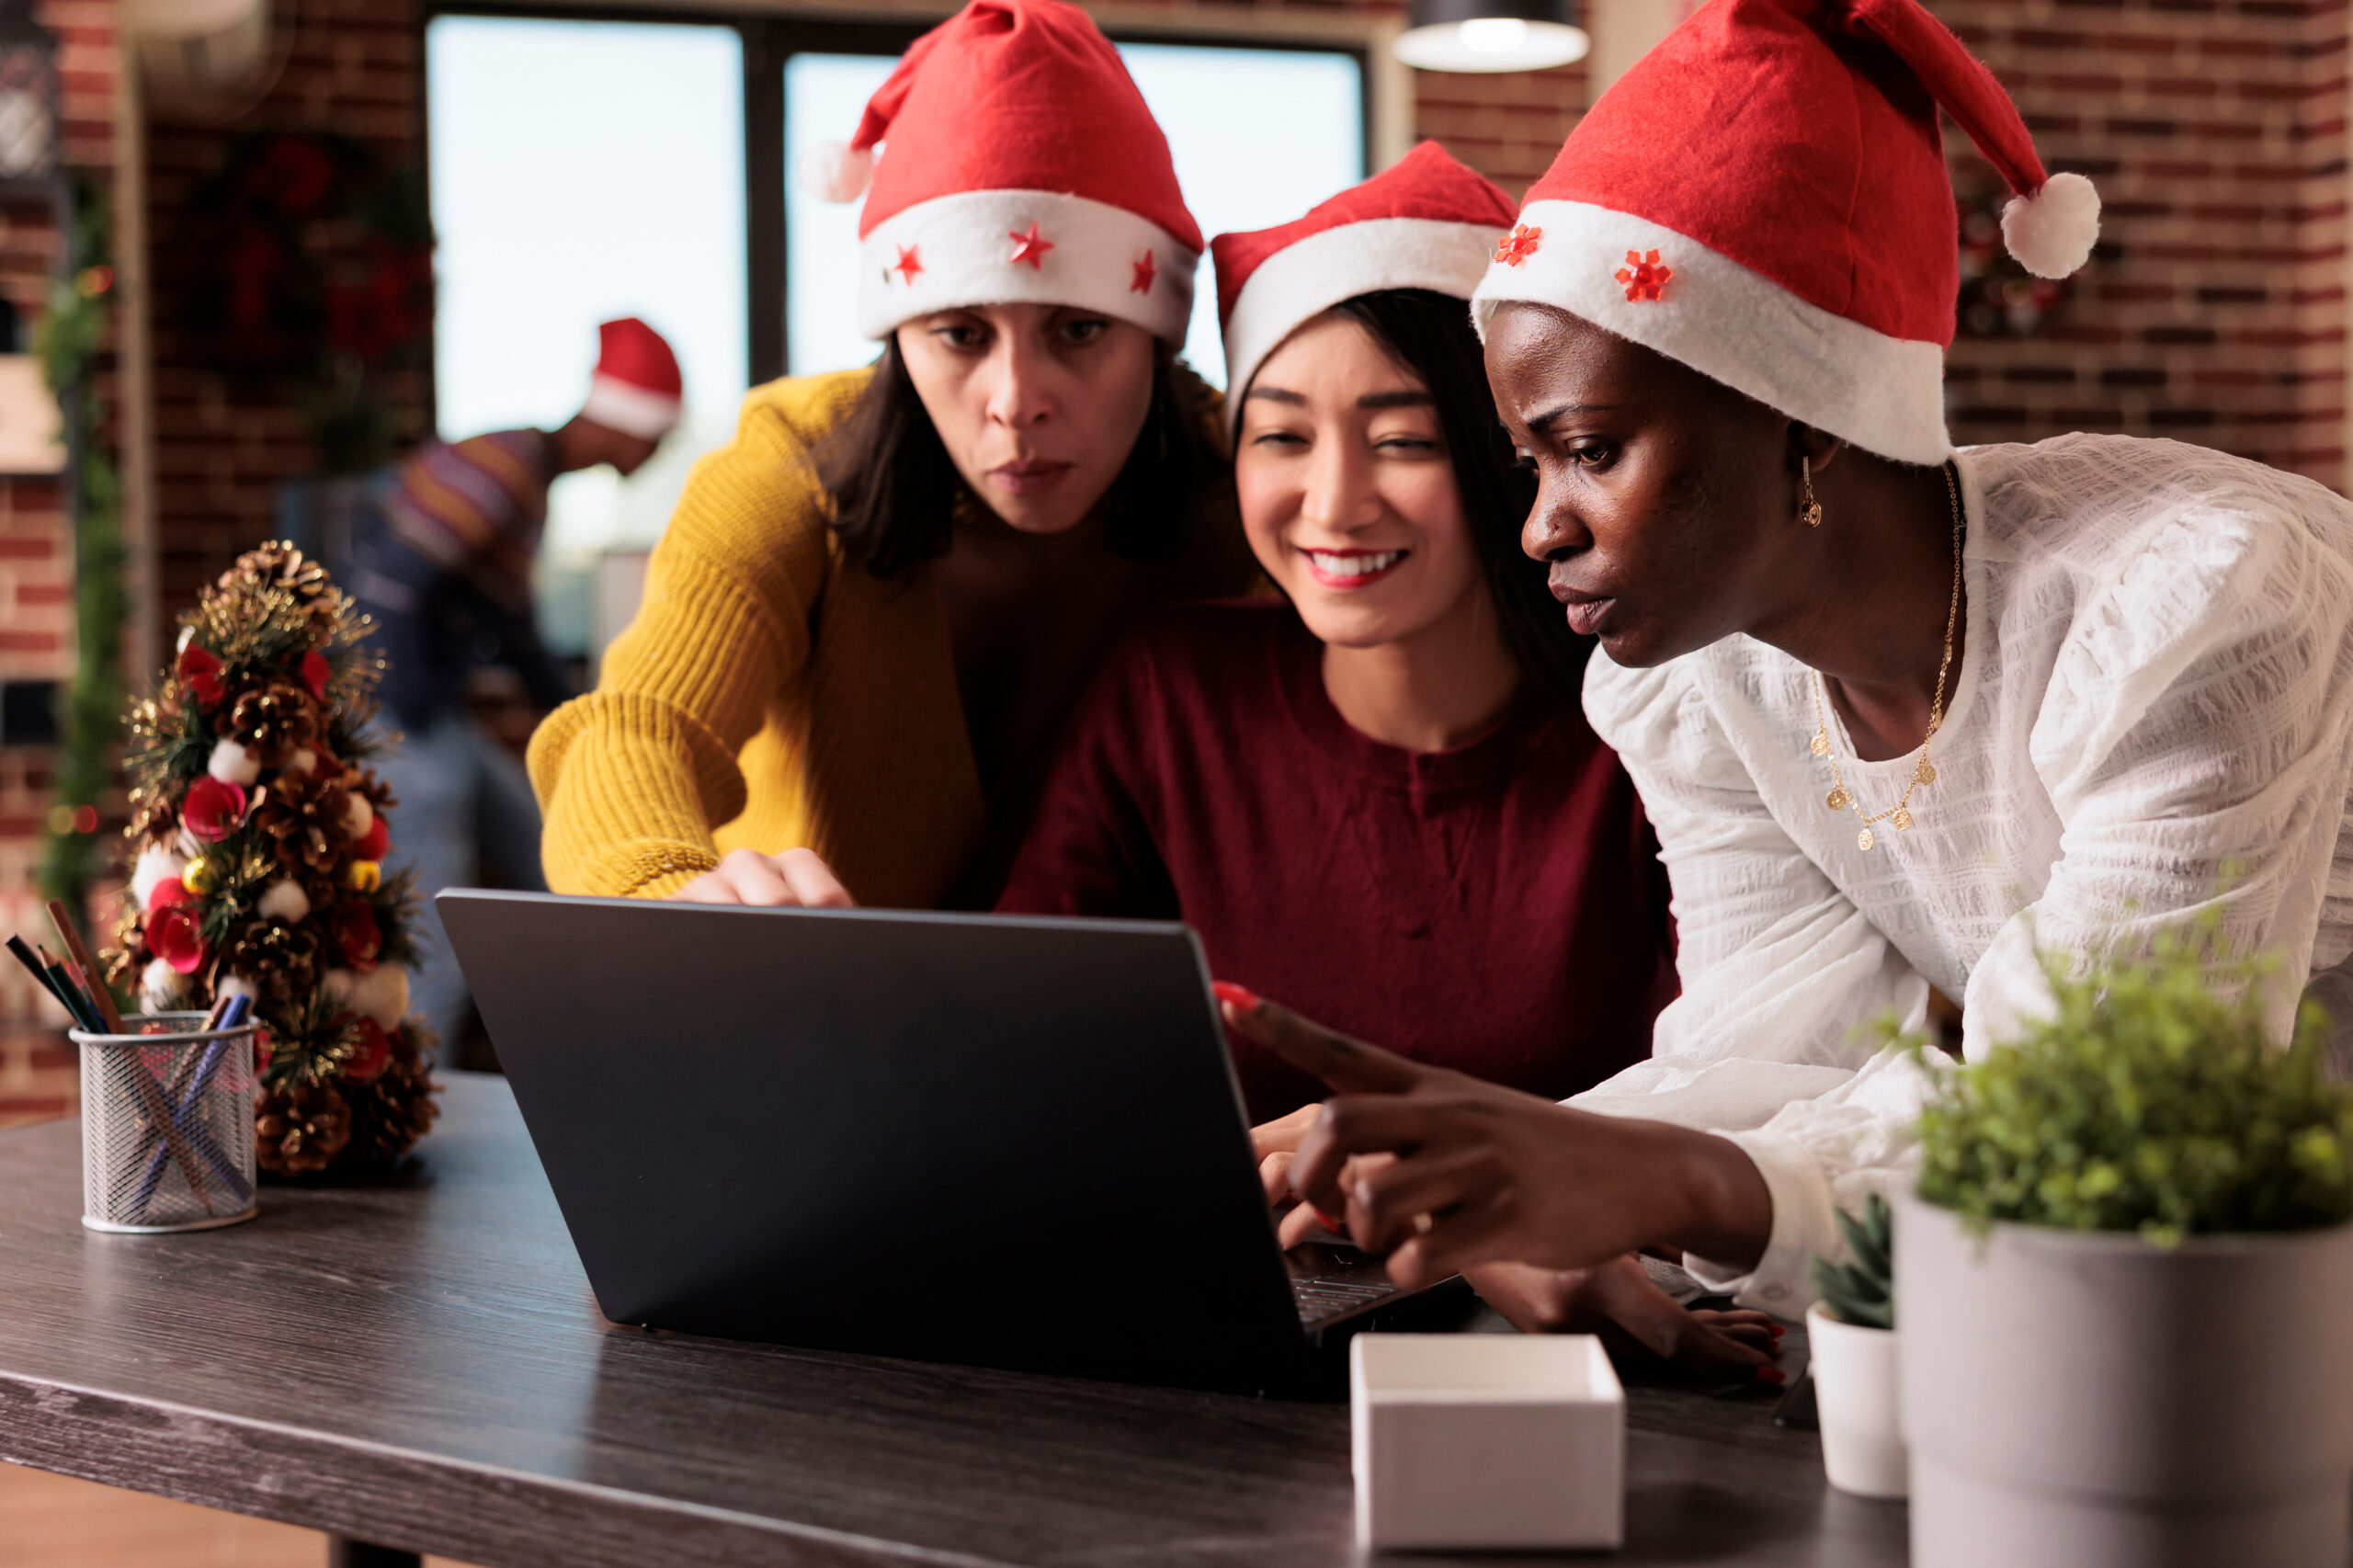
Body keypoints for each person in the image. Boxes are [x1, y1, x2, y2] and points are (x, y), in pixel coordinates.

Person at [1221, 0, 2353, 1315]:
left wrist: (1657, 1186)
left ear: (1805, 425)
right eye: (1527, 462)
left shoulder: (2193, 609)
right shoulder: (1708, 677)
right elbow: (1768, 1047)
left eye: (1589, 450)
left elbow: (2110, 1118)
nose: (1537, 527)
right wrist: (1485, 1164)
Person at [997, 147, 1771, 1375]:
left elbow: (1752, 1092)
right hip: (1236, 1354)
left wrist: (1451, 1182)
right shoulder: (1170, 692)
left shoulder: (1655, 724)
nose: (1334, 502)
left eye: (1401, 440)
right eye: (1283, 436)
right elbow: (1020, 1050)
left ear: (1503, 453)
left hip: (1583, 1356)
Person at [528, 0, 1255, 913]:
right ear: (898, 338)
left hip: (1122, 1042)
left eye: (1078, 328)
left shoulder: (1253, 480)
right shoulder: (791, 460)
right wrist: (666, 886)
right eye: (958, 333)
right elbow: (637, 727)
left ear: (1157, 334)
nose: (1014, 396)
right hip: (799, 1013)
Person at [355, 316, 683, 1056]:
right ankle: (414, 1109)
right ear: (628, 426)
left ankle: (590, 1039)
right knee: (434, 959)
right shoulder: (504, 468)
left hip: (431, 719)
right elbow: (391, 587)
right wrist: (409, 714)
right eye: (660, 436)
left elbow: (513, 627)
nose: (658, 453)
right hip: (399, 724)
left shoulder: (527, 477)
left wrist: (584, 724)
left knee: (546, 843)